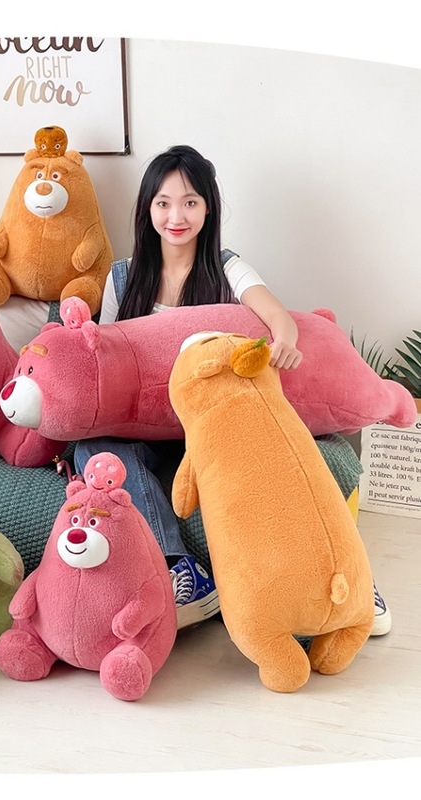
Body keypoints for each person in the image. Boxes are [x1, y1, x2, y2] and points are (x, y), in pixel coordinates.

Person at [74, 144, 391, 637]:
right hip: (146, 430)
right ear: (147, 209)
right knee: (92, 449)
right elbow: (104, 360)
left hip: (215, 424)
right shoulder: (122, 277)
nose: (176, 216)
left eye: (190, 202)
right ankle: (183, 571)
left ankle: (351, 579)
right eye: (163, 203)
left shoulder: (225, 267)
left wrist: (284, 338)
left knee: (285, 453)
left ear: (208, 208)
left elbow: (275, 312)